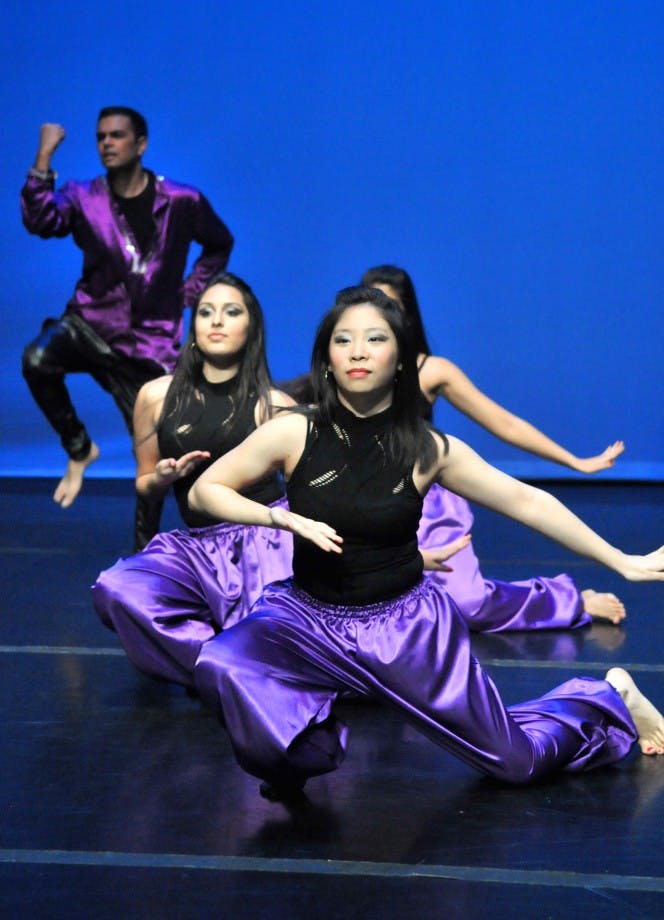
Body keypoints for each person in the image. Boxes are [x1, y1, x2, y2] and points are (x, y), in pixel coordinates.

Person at [188, 286, 664, 803]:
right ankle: (307, 756)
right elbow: (204, 490)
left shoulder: (430, 449)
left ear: (400, 361)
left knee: (515, 761)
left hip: (403, 631)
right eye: (344, 340)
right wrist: (280, 521)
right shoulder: (294, 431)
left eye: (375, 339)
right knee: (222, 662)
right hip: (306, 619)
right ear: (327, 359)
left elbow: (528, 502)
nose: (359, 351)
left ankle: (606, 698)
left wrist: (624, 561)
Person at [354, 264, 627, 631]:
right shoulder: (345, 370)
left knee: (468, 605)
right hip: (363, 499)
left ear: (407, 313)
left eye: (390, 305)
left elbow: (505, 423)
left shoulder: (432, 370)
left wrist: (575, 462)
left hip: (426, 503)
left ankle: (569, 600)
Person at [21, 106, 234, 548]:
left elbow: (219, 243)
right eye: (101, 137)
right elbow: (41, 221)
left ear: (141, 144)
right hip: (91, 325)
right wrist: (44, 155)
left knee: (157, 459)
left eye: (117, 136)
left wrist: (188, 294)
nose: (106, 144)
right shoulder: (84, 197)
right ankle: (80, 448)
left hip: (149, 347)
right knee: (37, 358)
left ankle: (146, 557)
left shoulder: (181, 200)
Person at [91, 272, 294, 689]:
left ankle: (240, 661)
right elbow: (143, 483)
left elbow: (313, 497)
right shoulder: (155, 396)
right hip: (199, 546)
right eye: (206, 312)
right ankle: (216, 666)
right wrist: (162, 477)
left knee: (272, 653)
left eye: (231, 312)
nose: (216, 321)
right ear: (192, 326)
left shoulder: (277, 406)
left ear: (251, 326)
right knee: (115, 589)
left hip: (266, 545)